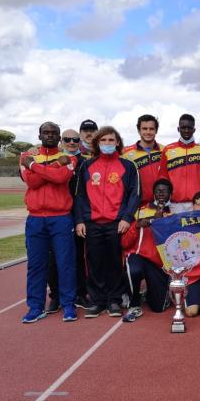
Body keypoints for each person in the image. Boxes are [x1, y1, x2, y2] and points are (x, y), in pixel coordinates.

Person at [75, 126, 140, 318]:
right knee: (94, 262)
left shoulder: (127, 166)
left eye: (111, 140)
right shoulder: (87, 166)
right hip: (92, 223)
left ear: (117, 142)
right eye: (103, 140)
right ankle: (97, 301)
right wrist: (80, 220)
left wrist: (127, 218)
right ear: (97, 143)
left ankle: (114, 300)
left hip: (116, 223)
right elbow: (79, 196)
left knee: (114, 262)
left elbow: (134, 194)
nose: (107, 144)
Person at [19, 121, 78, 323]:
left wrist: (35, 167)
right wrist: (53, 166)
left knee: (65, 263)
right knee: (36, 265)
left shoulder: (69, 157)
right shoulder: (27, 156)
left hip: (60, 217)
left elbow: (61, 179)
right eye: (46, 132)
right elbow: (33, 182)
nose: (50, 135)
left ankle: (69, 305)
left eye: (54, 133)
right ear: (39, 135)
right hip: (35, 219)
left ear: (59, 136)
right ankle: (35, 307)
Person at [45, 128, 90, 312]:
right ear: (61, 141)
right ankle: (56, 296)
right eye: (67, 139)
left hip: (79, 215)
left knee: (79, 256)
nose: (71, 142)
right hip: (57, 215)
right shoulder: (53, 160)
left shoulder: (86, 163)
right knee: (54, 258)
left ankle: (80, 293)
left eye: (75, 139)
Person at [121, 179, 173, 322]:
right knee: (134, 269)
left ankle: (151, 293)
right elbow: (125, 243)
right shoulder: (140, 211)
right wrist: (137, 226)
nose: (161, 193)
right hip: (139, 255)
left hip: (160, 261)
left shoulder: (176, 213)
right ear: (153, 193)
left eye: (164, 191)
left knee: (158, 307)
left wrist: (162, 220)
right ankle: (134, 303)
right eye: (157, 190)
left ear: (171, 193)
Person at [159, 113, 200, 213]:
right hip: (175, 204)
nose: (186, 130)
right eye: (183, 127)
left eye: (189, 128)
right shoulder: (168, 150)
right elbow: (163, 177)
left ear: (194, 129)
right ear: (178, 129)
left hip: (197, 204)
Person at [122, 114, 162, 206]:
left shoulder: (164, 151)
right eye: (144, 129)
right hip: (137, 206)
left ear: (156, 130)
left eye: (151, 129)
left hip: (162, 205)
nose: (148, 132)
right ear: (139, 131)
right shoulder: (126, 153)